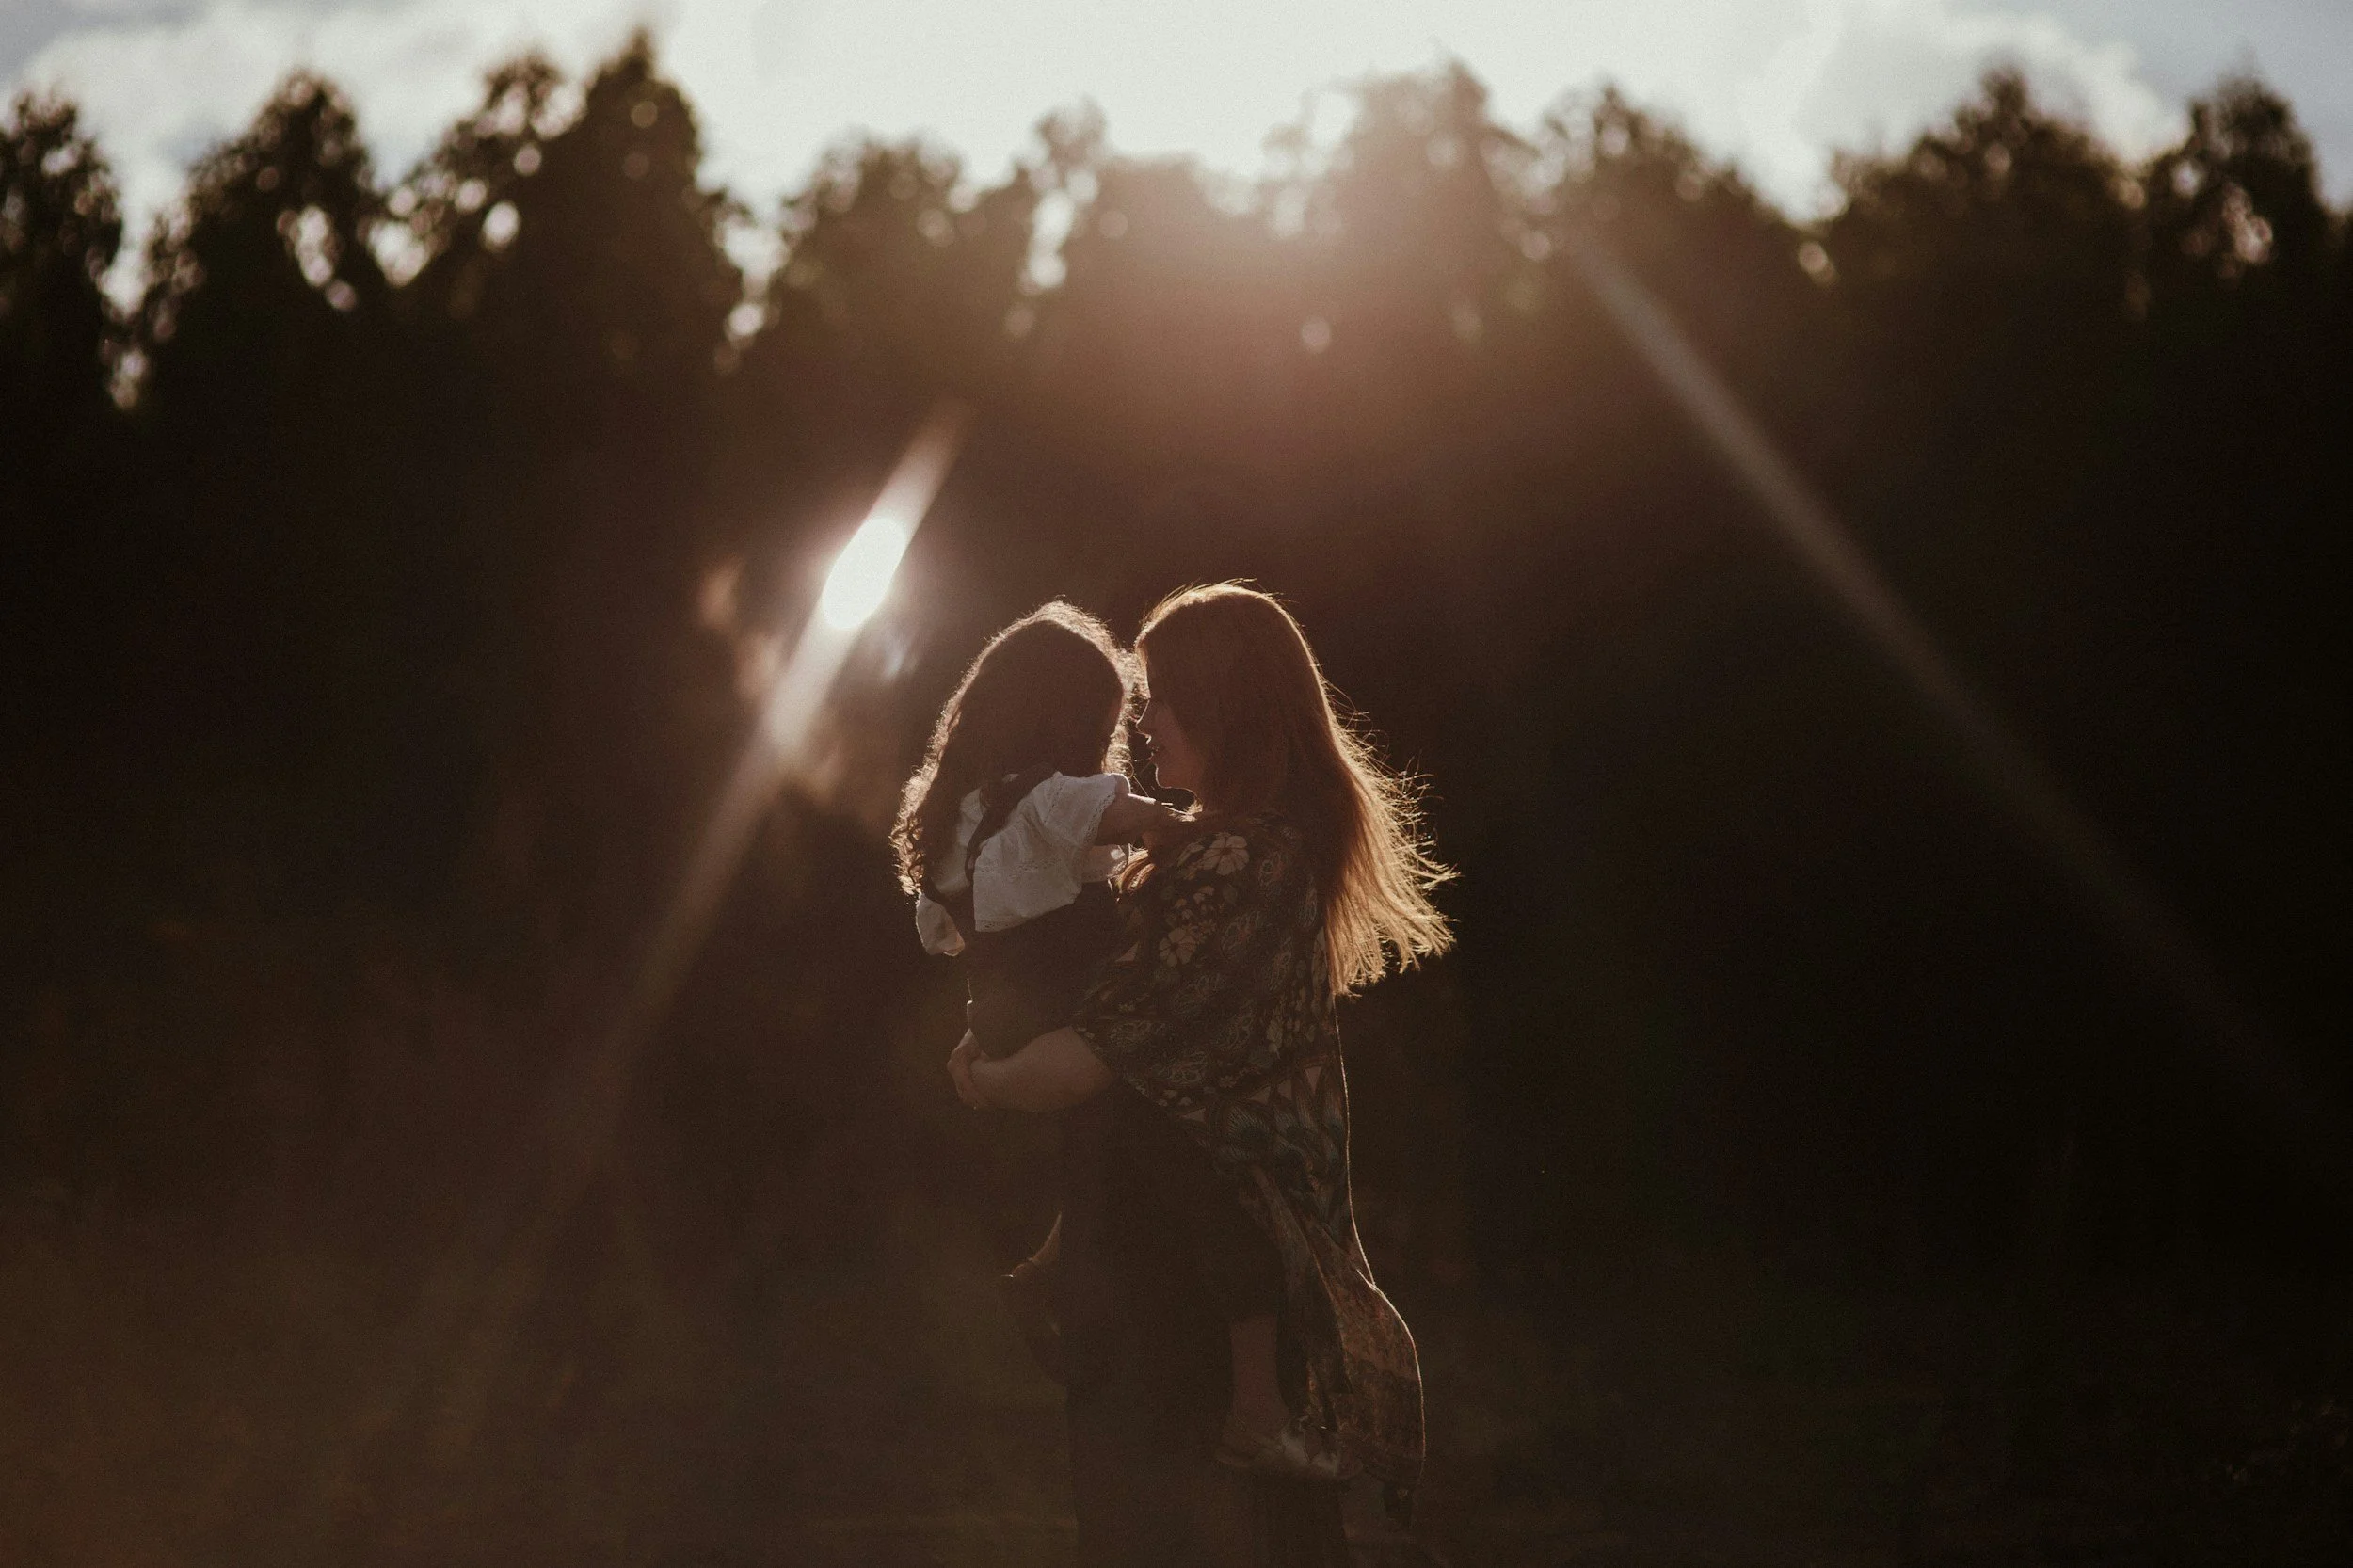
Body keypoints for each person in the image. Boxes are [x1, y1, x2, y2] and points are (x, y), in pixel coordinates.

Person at [951, 583, 1452, 1560]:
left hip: (1181, 1305)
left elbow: (1089, 1061)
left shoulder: (1239, 867)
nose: (1143, 725)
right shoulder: (1205, 856)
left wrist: (983, 1077)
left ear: (1227, 706)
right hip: (1153, 1286)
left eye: (1163, 698)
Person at [897, 602, 1292, 1442]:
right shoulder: (1049, 801)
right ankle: (1257, 1400)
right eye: (1113, 722)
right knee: (1195, 1179)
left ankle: (1048, 1259)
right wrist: (1190, 831)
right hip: (1065, 1011)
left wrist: (989, 1039)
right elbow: (1139, 821)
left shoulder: (958, 813)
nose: (1128, 738)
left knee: (1107, 1147)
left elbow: (948, 935)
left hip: (998, 1011)